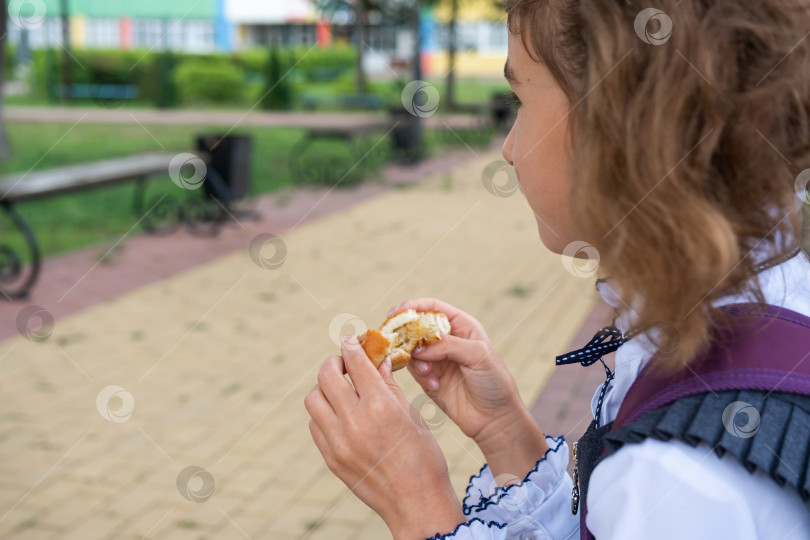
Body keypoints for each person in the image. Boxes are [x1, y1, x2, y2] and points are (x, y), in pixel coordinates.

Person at [304, 0, 810, 538]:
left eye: (519, 98)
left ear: (618, 132)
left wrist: (416, 504)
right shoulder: (769, 304)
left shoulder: (678, 482)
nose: (507, 150)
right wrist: (507, 435)